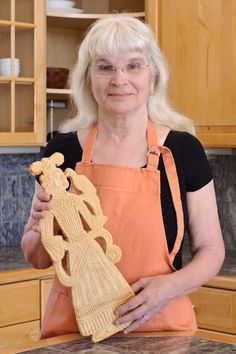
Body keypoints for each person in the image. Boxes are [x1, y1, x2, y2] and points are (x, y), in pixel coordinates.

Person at [21, 14, 225, 338]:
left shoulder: (184, 150)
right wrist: (44, 225)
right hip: (76, 332)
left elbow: (212, 249)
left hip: (161, 327)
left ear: (153, 75)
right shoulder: (60, 153)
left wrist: (170, 287)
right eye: (105, 67)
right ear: (88, 77)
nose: (119, 79)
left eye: (133, 66)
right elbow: (36, 256)